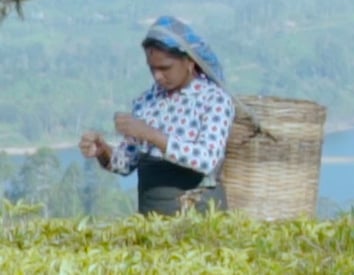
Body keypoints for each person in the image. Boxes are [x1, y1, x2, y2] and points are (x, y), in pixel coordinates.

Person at [78, 15, 236, 216]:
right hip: (152, 216)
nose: (158, 76)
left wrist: (151, 134)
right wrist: (102, 151)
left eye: (165, 68)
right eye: (152, 69)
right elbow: (125, 164)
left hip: (199, 215)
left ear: (188, 61)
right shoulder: (146, 102)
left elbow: (206, 159)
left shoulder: (214, 100)